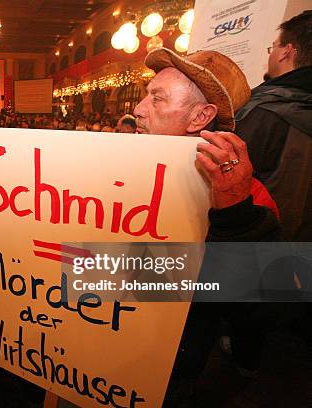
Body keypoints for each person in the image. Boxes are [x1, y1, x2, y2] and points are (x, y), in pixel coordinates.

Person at [133, 47, 283, 402]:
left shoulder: (247, 197)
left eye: (157, 99)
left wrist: (234, 217)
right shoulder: (111, 170)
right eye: (144, 96)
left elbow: (264, 311)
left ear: (200, 115)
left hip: (171, 364)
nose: (138, 109)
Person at [235, 10, 312, 241]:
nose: (271, 54)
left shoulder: (262, 113)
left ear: (286, 52)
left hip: (260, 246)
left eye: (273, 47)